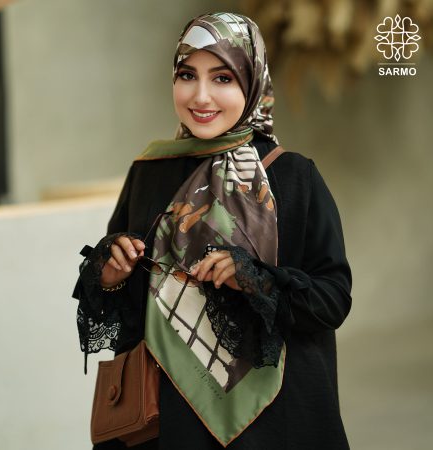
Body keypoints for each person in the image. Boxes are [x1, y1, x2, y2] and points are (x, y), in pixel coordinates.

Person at [72, 12, 352, 450]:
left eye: (222, 78)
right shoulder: (150, 172)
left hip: (275, 422)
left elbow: (332, 299)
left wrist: (252, 278)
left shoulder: (294, 178)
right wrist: (111, 276)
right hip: (168, 419)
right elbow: (133, 311)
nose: (200, 96)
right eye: (187, 75)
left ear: (252, 81)